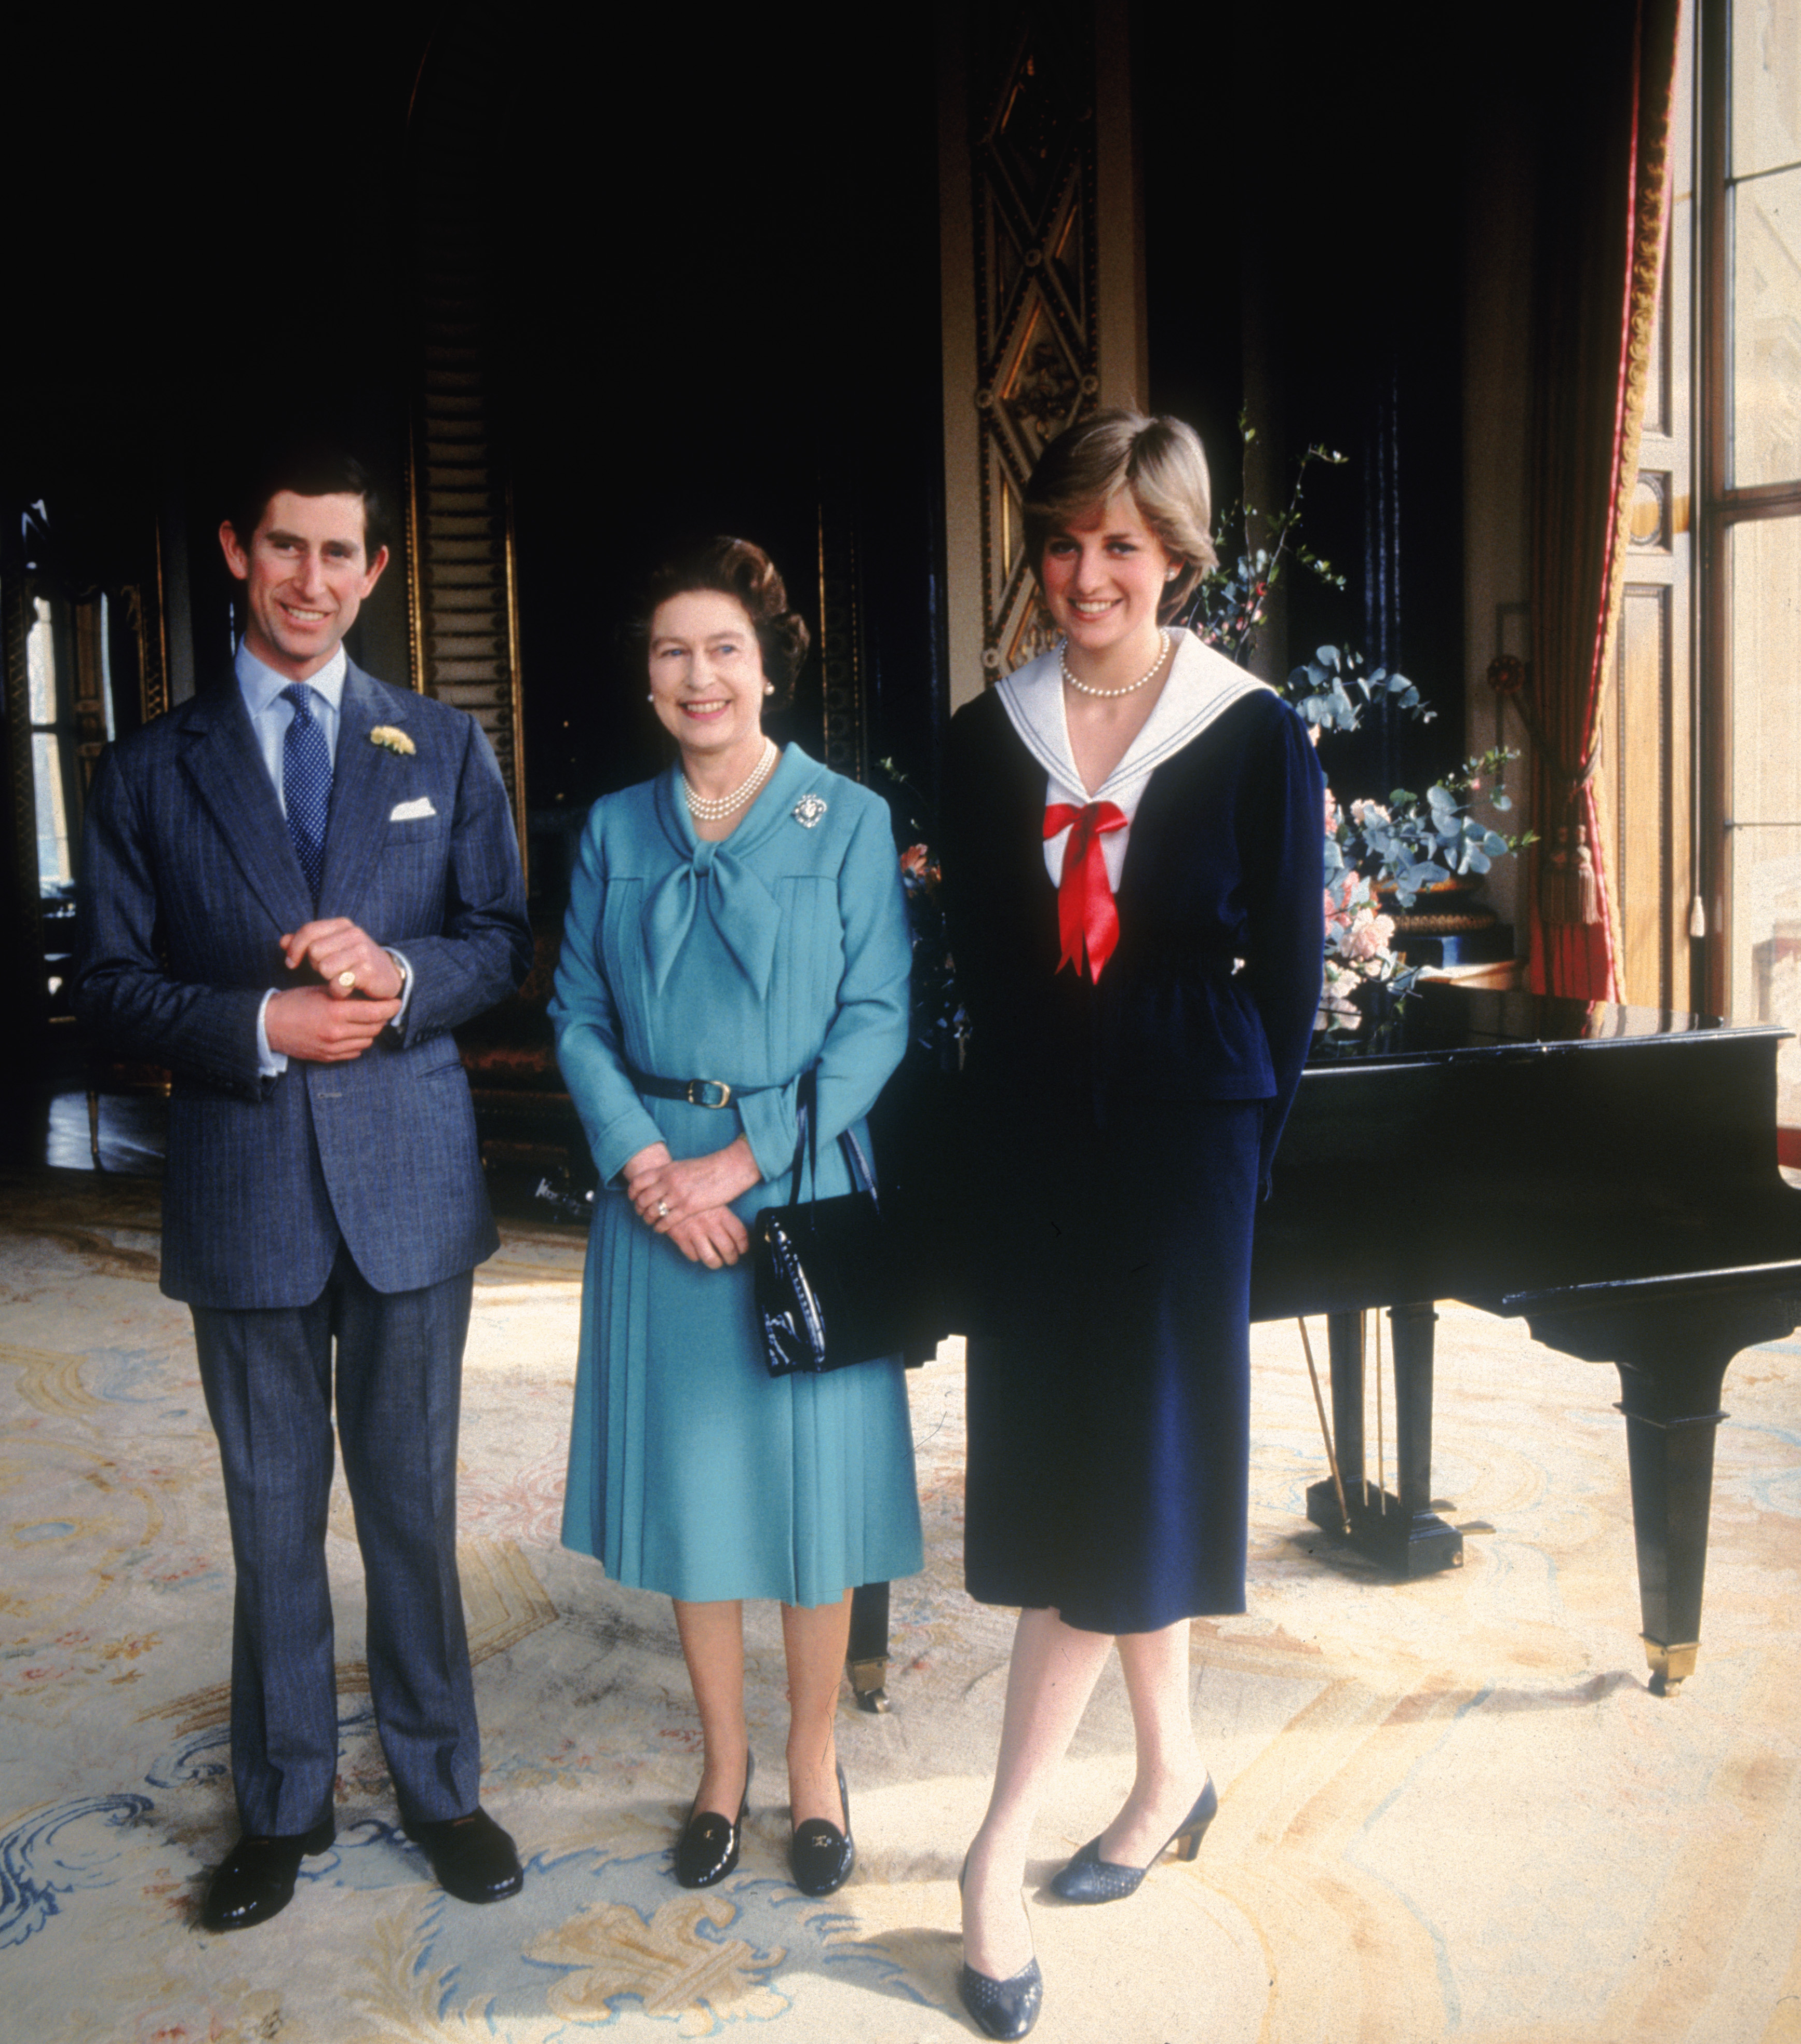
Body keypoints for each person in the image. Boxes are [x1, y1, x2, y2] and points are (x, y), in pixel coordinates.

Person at [72, 443, 533, 1932]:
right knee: (274, 1520)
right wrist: (262, 1025)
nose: (311, 583)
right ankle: (281, 1809)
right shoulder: (148, 768)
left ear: (377, 573)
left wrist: (398, 978)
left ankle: (441, 1785)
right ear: (234, 549)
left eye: (342, 556)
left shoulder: (444, 750)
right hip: (245, 1187)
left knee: (411, 1505)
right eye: (285, 549)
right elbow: (109, 989)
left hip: (410, 1188)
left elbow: (499, 943)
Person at [940, 410, 1325, 2038]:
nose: (1088, 574)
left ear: (1176, 555)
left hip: (1182, 1152)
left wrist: (1224, 1152)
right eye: (1065, 541)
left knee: (1126, 1477)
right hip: (1037, 1149)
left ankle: (993, 1850)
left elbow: (1293, 985)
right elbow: (977, 969)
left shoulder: (1255, 736)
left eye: (1123, 544)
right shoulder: (985, 737)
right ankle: (1170, 1771)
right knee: (1081, 1473)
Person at [549, 536, 923, 1899]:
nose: (697, 675)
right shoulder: (609, 831)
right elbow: (576, 1016)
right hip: (654, 1193)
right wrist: (654, 1168)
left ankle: (815, 1764)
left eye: (722, 649)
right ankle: (724, 1765)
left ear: (769, 669)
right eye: (670, 652)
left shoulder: (852, 821)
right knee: (702, 1500)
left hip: (800, 1187)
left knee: (810, 1505)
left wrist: (744, 1159)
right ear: (648, 681)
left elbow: (879, 1019)